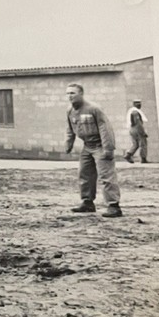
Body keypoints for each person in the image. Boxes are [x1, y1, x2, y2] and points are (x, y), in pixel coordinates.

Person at [64, 84, 122, 218]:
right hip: (87, 146)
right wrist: (68, 145)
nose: (69, 96)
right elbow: (69, 129)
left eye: (72, 93)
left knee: (106, 176)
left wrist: (108, 148)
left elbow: (105, 128)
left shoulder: (93, 109)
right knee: (84, 174)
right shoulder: (70, 110)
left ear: (81, 94)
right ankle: (87, 202)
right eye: (67, 93)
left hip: (100, 145)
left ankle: (114, 206)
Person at [124, 99, 149, 164]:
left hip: (132, 129)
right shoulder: (135, 112)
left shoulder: (131, 111)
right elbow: (138, 123)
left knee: (135, 144)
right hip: (137, 129)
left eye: (139, 103)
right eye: (137, 103)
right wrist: (143, 132)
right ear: (134, 104)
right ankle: (143, 159)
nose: (139, 105)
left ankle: (128, 155)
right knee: (143, 144)